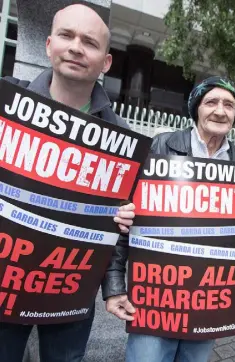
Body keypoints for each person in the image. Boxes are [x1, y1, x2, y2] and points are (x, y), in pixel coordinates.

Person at [0, 4, 129, 362]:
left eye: (89, 42)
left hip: (72, 286)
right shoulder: (6, 104)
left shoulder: (121, 137)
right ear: (48, 44)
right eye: (66, 35)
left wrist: (113, 286)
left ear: (105, 62)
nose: (75, 47)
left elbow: (118, 226)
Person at [102, 76, 235, 362]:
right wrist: (115, 285)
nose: (220, 111)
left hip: (206, 300)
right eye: (211, 102)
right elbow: (126, 220)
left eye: (228, 104)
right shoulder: (160, 147)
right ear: (196, 108)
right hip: (155, 299)